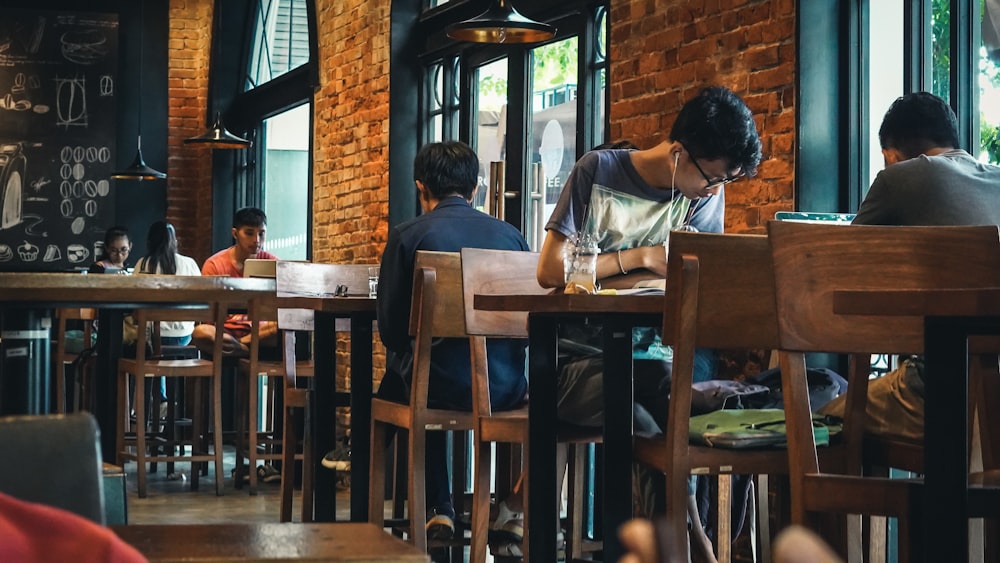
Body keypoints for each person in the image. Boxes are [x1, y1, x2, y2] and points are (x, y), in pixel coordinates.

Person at [537, 86, 763, 562]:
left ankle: (674, 547)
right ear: (680, 154)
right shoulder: (598, 172)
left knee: (665, 413)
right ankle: (693, 546)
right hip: (573, 366)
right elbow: (552, 271)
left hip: (654, 368)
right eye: (713, 178)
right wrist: (640, 259)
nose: (715, 191)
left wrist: (611, 271)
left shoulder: (700, 197)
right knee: (650, 408)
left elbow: (693, 280)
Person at [819, 91, 1000, 440]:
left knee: (824, 422)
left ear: (892, 154)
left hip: (937, 393)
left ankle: (862, 495)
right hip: (994, 393)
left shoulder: (899, 177)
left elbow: (833, 266)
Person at [375, 140, 530, 541]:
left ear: (420, 188)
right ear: (475, 189)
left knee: (414, 371)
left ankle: (433, 504)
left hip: (439, 387)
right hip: (507, 389)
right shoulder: (512, 237)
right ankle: (505, 515)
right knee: (422, 370)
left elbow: (390, 332)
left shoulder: (407, 236)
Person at [191, 207, 278, 358]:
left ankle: (239, 346)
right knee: (200, 333)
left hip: (260, 330)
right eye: (249, 233)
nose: (256, 240)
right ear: (235, 233)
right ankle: (247, 349)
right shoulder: (215, 264)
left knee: (282, 328)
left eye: (261, 234)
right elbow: (208, 313)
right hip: (226, 330)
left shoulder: (273, 263)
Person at [135, 220, 201, 346]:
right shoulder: (189, 263)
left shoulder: (143, 264)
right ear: (174, 241)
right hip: (184, 334)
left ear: (150, 242)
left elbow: (134, 298)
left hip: (152, 336)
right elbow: (201, 298)